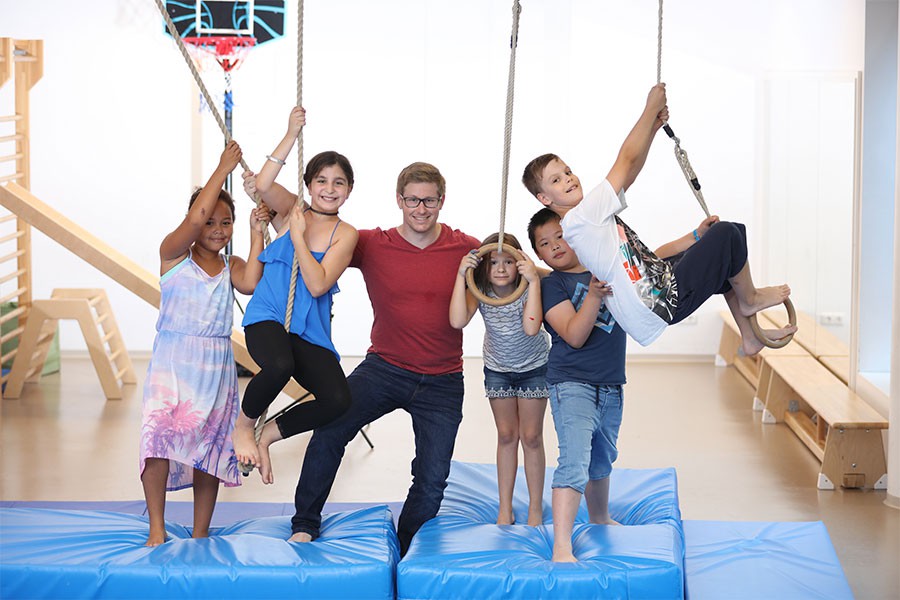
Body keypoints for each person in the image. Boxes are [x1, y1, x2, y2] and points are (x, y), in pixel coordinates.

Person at [521, 83, 797, 356]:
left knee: (732, 240)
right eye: (556, 180)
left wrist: (652, 130)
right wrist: (649, 108)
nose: (568, 179)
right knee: (727, 234)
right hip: (656, 302)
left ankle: (750, 336)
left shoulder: (585, 219)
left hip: (654, 292)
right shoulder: (583, 217)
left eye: (568, 171)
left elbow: (629, 174)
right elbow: (625, 160)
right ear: (545, 198)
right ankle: (750, 299)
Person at [290, 161, 481, 553]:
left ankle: (407, 545)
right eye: (413, 200)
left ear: (442, 201)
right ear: (399, 200)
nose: (421, 209)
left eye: (429, 201)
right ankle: (305, 522)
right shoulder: (373, 243)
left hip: (443, 380)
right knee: (330, 429)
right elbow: (321, 223)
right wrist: (265, 194)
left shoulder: (466, 247)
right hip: (385, 369)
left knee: (432, 478)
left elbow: (513, 264)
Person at [140, 141, 268, 546]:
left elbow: (251, 283)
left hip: (215, 366)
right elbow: (194, 221)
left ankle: (200, 532)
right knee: (158, 440)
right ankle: (156, 529)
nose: (216, 230)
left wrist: (253, 233)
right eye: (210, 221)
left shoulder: (229, 266)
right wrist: (222, 167)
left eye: (224, 223)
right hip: (174, 362)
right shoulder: (174, 254)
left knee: (210, 449)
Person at [235, 106, 357, 493]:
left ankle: (268, 433)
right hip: (269, 316)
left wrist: (300, 237)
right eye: (321, 180)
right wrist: (291, 134)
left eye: (339, 183)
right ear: (308, 185)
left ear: (349, 190)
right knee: (279, 365)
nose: (329, 189)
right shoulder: (290, 211)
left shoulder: (345, 233)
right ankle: (242, 428)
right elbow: (265, 182)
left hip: (309, 330)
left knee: (338, 399)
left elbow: (318, 284)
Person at [527, 207, 619, 563]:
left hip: (611, 382)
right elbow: (575, 336)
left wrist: (695, 237)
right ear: (540, 255)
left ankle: (599, 516)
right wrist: (593, 296)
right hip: (572, 383)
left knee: (602, 458)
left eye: (560, 236)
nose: (555, 246)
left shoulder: (604, 266)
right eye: (545, 244)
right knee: (575, 461)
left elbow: (650, 259)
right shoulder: (554, 285)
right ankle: (562, 545)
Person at [449, 232, 549, 526]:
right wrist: (460, 275)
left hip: (534, 367)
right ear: (484, 266)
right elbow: (457, 320)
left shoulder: (527, 287)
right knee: (506, 435)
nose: (502, 268)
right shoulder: (479, 289)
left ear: (519, 264)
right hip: (498, 368)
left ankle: (534, 508)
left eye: (509, 261)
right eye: (494, 262)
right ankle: (504, 507)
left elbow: (532, 329)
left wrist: (533, 281)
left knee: (531, 437)